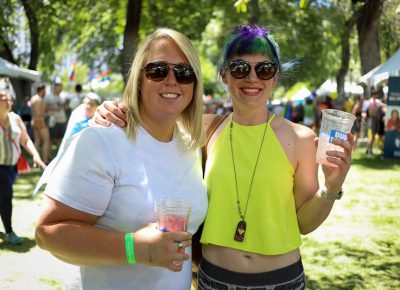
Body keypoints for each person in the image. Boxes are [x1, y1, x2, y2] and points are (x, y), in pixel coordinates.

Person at [95, 24, 354, 289]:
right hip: (214, 278)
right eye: (240, 68)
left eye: (264, 69)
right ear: (224, 75)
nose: (252, 78)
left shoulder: (300, 139)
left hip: (282, 280)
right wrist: (114, 109)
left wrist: (331, 187)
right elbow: (154, 117)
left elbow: (304, 223)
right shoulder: (204, 129)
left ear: (275, 77)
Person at [35, 28, 208, 290]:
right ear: (139, 78)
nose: (172, 80)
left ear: (194, 84)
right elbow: (48, 232)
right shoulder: (103, 140)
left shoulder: (192, 145)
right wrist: (134, 248)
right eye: (158, 70)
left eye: (184, 73)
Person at [0, 91, 46, 244]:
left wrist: (36, 155)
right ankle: (9, 232)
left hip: (12, 167)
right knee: (6, 196)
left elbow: (25, 140)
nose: (8, 102)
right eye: (3, 99)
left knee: (3, 195)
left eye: (9, 99)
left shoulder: (15, 118)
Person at [45, 82, 67, 157]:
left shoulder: (63, 96)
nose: (60, 90)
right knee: (50, 140)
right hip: (52, 121)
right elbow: (44, 108)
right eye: (59, 88)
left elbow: (65, 107)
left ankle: (60, 156)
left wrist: (64, 106)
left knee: (60, 139)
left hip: (62, 120)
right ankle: (48, 156)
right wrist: (54, 108)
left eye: (61, 88)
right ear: (54, 88)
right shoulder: (48, 97)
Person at [30, 83, 51, 164]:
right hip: (40, 122)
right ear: (42, 90)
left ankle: (35, 161)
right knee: (46, 140)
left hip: (34, 122)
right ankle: (45, 160)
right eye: (45, 90)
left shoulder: (33, 98)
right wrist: (47, 114)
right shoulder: (39, 99)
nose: (45, 92)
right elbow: (39, 114)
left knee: (37, 141)